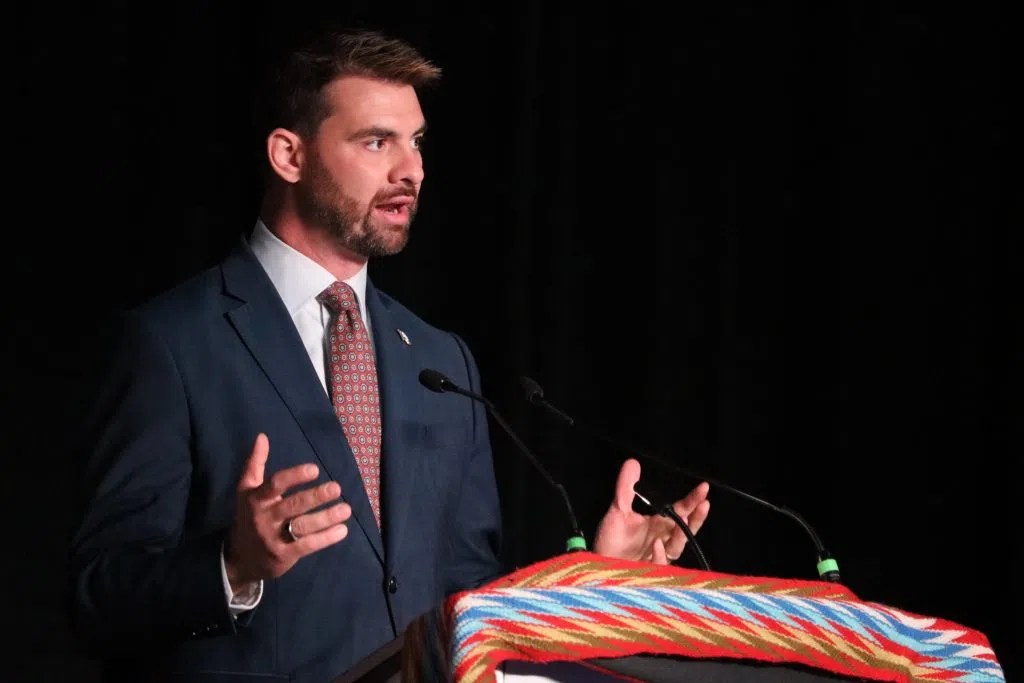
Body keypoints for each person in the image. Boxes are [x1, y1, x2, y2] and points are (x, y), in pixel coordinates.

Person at [66, 25, 711, 683]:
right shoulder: (170, 343)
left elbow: (469, 596)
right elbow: (98, 596)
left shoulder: (441, 360)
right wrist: (232, 564)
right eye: (376, 142)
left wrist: (592, 585)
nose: (413, 169)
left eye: (417, 142)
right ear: (289, 155)